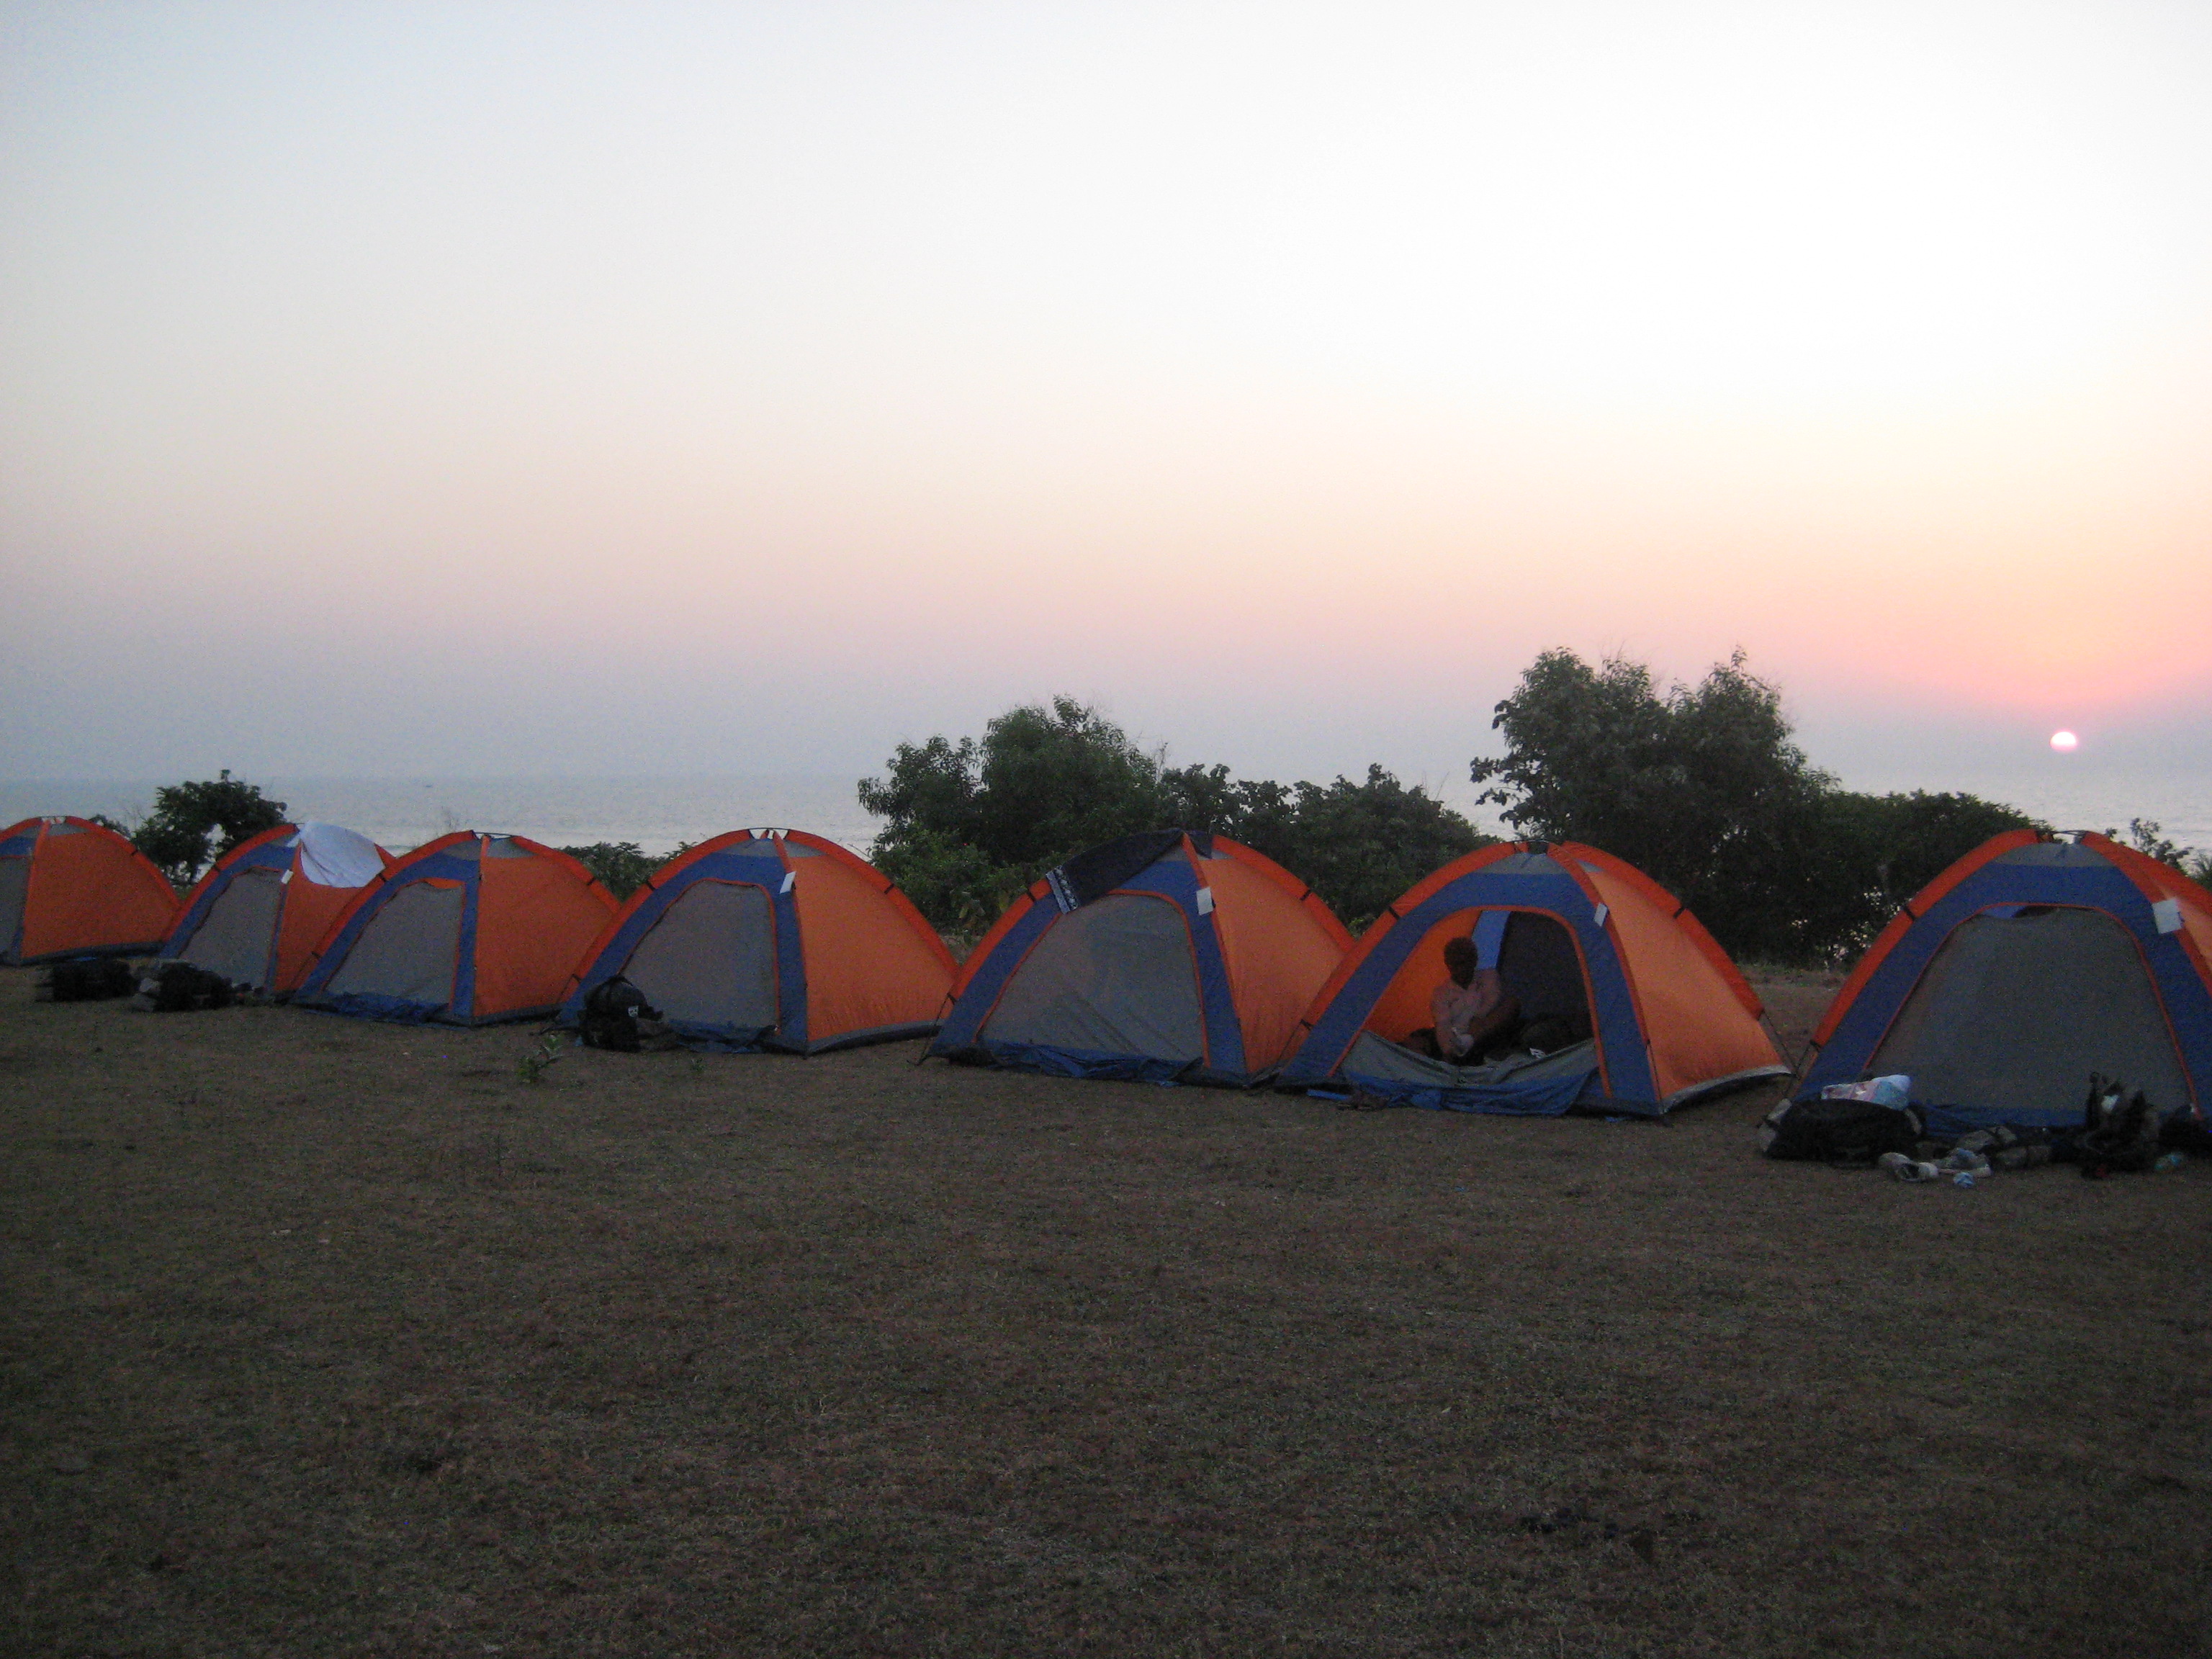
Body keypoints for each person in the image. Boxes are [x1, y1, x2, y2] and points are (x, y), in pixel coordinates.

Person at [1422, 935, 1519, 1064]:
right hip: (1457, 1038)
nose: (1460, 969)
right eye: (1454, 964)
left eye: (1463, 962)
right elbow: (1443, 1025)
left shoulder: (1488, 976)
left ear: (1474, 960)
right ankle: (1460, 1049)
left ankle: (1468, 1041)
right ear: (1447, 964)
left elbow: (1492, 1001)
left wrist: (1476, 1023)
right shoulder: (1441, 994)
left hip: (1489, 1030)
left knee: (1512, 1004)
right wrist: (1448, 1050)